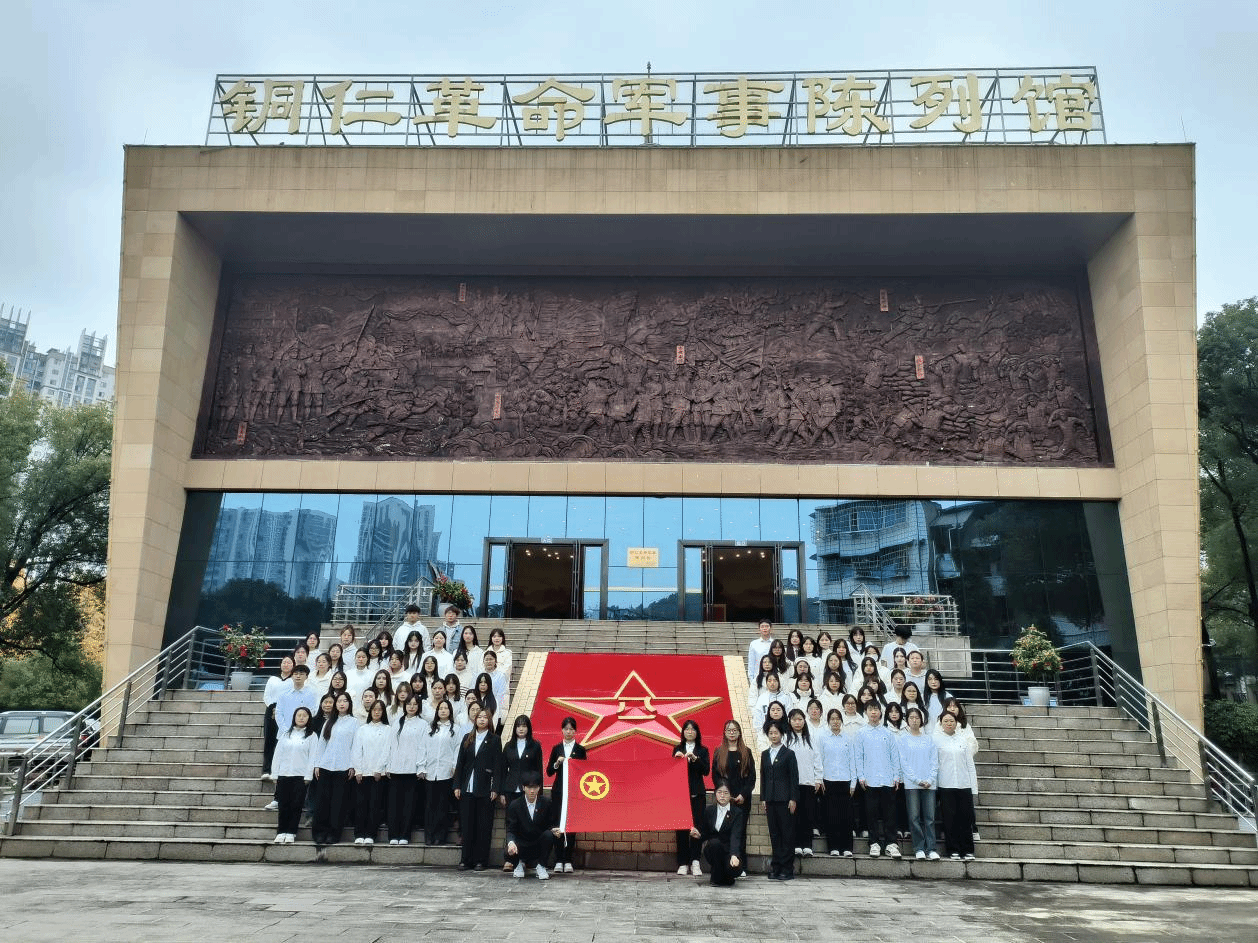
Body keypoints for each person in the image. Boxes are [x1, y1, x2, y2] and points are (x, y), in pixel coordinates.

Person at [453, 707, 500, 870]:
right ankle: (466, 859)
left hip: (485, 788)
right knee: (467, 826)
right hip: (467, 787)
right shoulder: (467, 737)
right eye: (479, 717)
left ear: (489, 720)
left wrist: (495, 788)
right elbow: (460, 763)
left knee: (483, 826)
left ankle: (481, 860)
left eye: (485, 717)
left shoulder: (494, 740)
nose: (481, 719)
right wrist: (457, 785)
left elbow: (498, 766)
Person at [312, 692, 359, 849]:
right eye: (339, 701)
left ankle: (333, 833)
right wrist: (317, 764)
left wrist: (352, 765)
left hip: (343, 767)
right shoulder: (329, 722)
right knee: (322, 802)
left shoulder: (354, 723)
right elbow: (322, 744)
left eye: (345, 701)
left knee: (338, 803)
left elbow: (355, 745)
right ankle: (319, 832)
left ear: (349, 704)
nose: (342, 703)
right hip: (326, 766)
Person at [499, 714, 544, 870]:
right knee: (511, 824)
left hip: (528, 791)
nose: (521, 729)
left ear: (528, 728)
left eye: (524, 726)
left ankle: (527, 858)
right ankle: (510, 858)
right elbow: (502, 771)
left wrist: (538, 792)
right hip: (511, 790)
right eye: (518, 726)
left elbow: (538, 770)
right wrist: (502, 792)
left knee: (528, 825)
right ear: (515, 728)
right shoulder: (508, 746)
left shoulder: (535, 746)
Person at [856, 701, 901, 858]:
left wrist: (896, 776)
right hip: (870, 780)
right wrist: (861, 776)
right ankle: (874, 843)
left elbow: (894, 756)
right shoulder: (861, 733)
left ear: (881, 713)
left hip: (888, 779)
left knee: (890, 814)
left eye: (876, 709)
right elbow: (858, 756)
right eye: (870, 709)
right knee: (871, 814)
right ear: (866, 712)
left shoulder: (888, 733)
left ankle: (891, 844)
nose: (873, 712)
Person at [712, 719, 756, 875]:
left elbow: (751, 778)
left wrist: (743, 794)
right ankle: (724, 865)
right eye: (729, 730)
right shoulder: (719, 752)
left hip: (742, 800)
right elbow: (715, 776)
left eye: (734, 730)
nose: (732, 733)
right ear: (724, 733)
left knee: (740, 832)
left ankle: (741, 866)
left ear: (739, 733)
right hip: (725, 800)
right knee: (724, 832)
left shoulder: (746, 752)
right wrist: (725, 795)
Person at [934, 711, 979, 860]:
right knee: (949, 819)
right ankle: (953, 849)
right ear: (941, 723)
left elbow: (970, 764)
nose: (949, 723)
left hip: (964, 784)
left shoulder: (963, 740)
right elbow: (935, 764)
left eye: (951, 721)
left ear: (956, 723)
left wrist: (973, 787)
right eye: (946, 721)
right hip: (945, 784)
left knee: (965, 818)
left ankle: (968, 850)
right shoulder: (936, 740)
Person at [897, 705, 939, 860]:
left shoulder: (929, 739)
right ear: (907, 720)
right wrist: (916, 780)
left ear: (921, 720)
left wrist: (930, 779)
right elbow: (904, 763)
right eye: (911, 718)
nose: (914, 720)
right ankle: (919, 848)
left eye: (917, 718)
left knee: (930, 818)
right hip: (912, 784)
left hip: (929, 784)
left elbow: (934, 761)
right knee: (914, 818)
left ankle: (931, 848)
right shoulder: (903, 739)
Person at [271, 706, 318, 844]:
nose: (301, 718)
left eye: (305, 715)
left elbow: (312, 757)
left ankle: (291, 832)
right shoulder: (286, 734)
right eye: (299, 715)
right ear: (294, 717)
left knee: (296, 805)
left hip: (300, 776)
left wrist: (308, 776)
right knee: (283, 805)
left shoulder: (312, 736)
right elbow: (277, 755)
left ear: (309, 718)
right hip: (284, 774)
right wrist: (275, 774)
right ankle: (281, 832)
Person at [547, 716, 588, 872]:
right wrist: (557, 763)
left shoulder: (580, 750)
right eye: (566, 729)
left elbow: (585, 773)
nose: (568, 732)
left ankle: (568, 860)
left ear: (575, 731)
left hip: (573, 793)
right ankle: (558, 860)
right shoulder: (557, 748)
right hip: (558, 792)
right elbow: (549, 772)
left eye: (571, 729)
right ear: (562, 730)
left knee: (570, 825)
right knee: (558, 824)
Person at [760, 718, 799, 880]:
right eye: (770, 733)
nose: (773, 735)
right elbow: (763, 777)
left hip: (785, 800)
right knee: (774, 834)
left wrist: (793, 798)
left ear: (781, 734)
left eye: (776, 733)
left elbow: (794, 778)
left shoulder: (789, 754)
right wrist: (763, 798)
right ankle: (776, 867)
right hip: (770, 799)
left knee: (786, 834)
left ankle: (787, 868)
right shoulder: (765, 754)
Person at [672, 719, 710, 876]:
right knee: (681, 828)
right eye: (687, 729)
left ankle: (695, 861)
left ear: (697, 733)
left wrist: (695, 759)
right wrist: (676, 760)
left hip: (697, 794)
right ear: (683, 732)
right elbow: (671, 772)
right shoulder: (677, 748)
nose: (690, 732)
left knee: (697, 827)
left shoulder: (703, 750)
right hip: (681, 795)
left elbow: (706, 771)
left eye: (693, 729)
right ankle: (682, 862)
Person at [351, 699, 392, 845]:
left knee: (375, 805)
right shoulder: (362, 729)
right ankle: (359, 833)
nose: (376, 712)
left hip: (378, 774)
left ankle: (370, 834)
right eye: (374, 709)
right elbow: (357, 750)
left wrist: (379, 769)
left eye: (380, 709)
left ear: (383, 712)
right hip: (363, 773)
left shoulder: (388, 729)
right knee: (361, 804)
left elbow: (387, 751)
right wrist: (358, 770)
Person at [817, 708, 857, 857]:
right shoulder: (823, 738)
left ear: (841, 721)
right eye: (832, 719)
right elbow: (819, 760)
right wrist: (820, 779)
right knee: (831, 815)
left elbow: (852, 761)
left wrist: (853, 783)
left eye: (837, 719)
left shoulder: (848, 738)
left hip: (845, 780)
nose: (835, 721)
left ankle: (847, 848)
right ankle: (833, 847)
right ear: (828, 721)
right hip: (829, 781)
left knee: (846, 816)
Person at [386, 697, 425, 845]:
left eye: (415, 704)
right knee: (394, 804)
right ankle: (393, 835)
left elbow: (423, 747)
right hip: (396, 769)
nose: (412, 707)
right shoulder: (397, 722)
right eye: (409, 704)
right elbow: (391, 745)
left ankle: (404, 835)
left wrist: (421, 767)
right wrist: (388, 765)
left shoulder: (423, 724)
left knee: (409, 805)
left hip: (412, 770)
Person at [690, 782, 745, 886]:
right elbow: (706, 832)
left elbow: (736, 836)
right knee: (714, 843)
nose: (722, 795)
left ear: (731, 795)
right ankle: (715, 877)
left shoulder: (737, 812)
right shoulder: (709, 810)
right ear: (715, 794)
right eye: (719, 792)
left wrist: (734, 855)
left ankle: (726, 877)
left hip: (729, 851)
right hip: (713, 849)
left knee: (734, 869)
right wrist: (699, 836)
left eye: (726, 793)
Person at [785, 708, 822, 858]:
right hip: (792, 784)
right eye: (794, 719)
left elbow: (817, 759)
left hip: (808, 782)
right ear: (789, 721)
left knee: (808, 814)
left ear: (804, 721)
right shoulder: (786, 739)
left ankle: (807, 845)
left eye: (800, 719)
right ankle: (796, 845)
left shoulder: (810, 739)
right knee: (794, 815)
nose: (797, 722)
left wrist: (818, 779)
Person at [505, 770, 556, 880]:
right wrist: (511, 843)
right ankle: (517, 865)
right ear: (523, 788)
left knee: (549, 835)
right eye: (529, 787)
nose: (532, 791)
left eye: (535, 787)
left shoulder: (546, 803)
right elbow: (511, 829)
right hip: (521, 845)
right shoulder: (515, 805)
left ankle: (541, 866)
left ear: (539, 788)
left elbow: (550, 823)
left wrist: (554, 830)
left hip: (537, 844)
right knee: (509, 846)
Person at [422, 698, 460, 846]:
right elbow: (423, 747)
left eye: (446, 708)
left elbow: (457, 749)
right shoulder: (430, 728)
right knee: (429, 805)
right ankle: (429, 835)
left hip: (446, 772)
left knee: (442, 806)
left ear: (450, 711)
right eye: (441, 708)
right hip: (430, 772)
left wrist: (454, 765)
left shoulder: (455, 729)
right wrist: (422, 767)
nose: (443, 711)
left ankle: (440, 836)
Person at [261, 655, 295, 782]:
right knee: (269, 740)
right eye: (284, 662)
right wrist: (273, 707)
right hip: (271, 711)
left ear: (293, 665)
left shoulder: (293, 680)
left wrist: (283, 709)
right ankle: (266, 770)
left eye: (289, 662)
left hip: (287, 712)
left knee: (282, 741)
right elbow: (267, 696)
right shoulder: (272, 679)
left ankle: (278, 770)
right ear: (280, 665)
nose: (286, 665)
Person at [747, 618, 775, 683]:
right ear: (759, 629)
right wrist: (751, 680)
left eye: (767, 626)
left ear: (771, 628)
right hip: (758, 676)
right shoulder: (754, 644)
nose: (764, 628)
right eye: (762, 627)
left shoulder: (774, 643)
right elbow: (751, 663)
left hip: (773, 677)